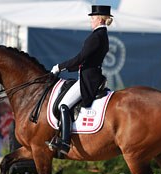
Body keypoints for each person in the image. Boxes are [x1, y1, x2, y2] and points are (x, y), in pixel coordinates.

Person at [47, 5, 113, 155]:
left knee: (63, 105)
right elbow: (85, 60)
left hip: (89, 80)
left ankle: (64, 143)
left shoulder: (96, 36)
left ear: (99, 19)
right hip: (90, 75)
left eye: (92, 18)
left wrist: (60, 67)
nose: (91, 21)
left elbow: (81, 58)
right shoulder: (102, 35)